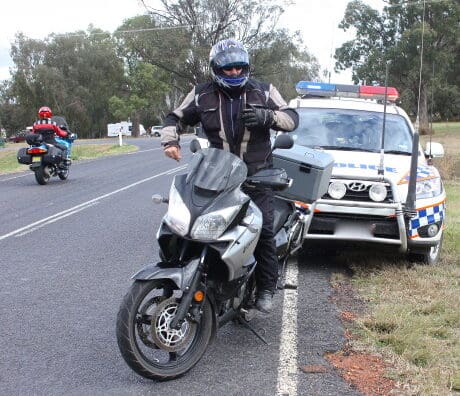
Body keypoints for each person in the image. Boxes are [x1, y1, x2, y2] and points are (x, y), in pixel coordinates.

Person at [160, 38, 299, 313]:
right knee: (193, 223)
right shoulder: (202, 94)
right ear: (216, 69)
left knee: (263, 231)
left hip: (257, 175)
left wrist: (267, 117)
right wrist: (170, 142)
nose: (234, 73)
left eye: (239, 67)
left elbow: (292, 118)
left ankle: (267, 287)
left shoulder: (263, 91)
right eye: (227, 69)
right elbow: (174, 117)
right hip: (218, 174)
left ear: (245, 67)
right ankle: (187, 273)